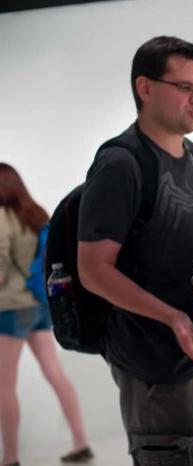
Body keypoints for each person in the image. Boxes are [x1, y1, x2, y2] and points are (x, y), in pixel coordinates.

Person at [77, 36, 193, 465]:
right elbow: (92, 270)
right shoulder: (121, 165)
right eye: (185, 87)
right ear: (145, 89)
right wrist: (173, 318)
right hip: (160, 373)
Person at [0, 163, 93, 466]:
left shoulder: (2, 217)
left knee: (4, 385)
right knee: (55, 372)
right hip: (41, 305)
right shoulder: (36, 214)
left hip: (12, 309)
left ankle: (10, 458)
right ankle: (81, 443)